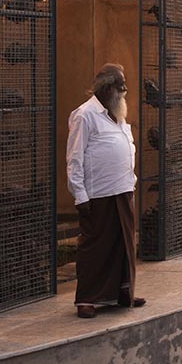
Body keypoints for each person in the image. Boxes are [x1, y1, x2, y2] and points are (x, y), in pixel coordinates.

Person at [67, 63, 144, 318]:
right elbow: (74, 159)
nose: (124, 90)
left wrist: (131, 180)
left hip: (122, 190)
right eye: (119, 85)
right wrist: (80, 195)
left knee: (123, 244)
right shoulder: (85, 115)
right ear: (106, 87)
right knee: (95, 246)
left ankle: (123, 292)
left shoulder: (117, 115)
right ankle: (86, 299)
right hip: (97, 194)